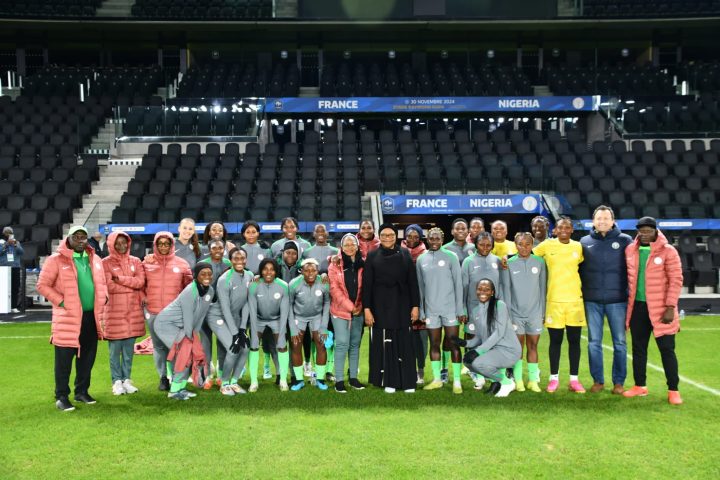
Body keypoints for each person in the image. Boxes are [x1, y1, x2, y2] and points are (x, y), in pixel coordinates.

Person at [37, 226, 108, 412]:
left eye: (83, 237)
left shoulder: (96, 259)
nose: (80, 240)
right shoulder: (56, 260)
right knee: (64, 360)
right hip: (68, 318)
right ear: (68, 239)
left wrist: (104, 297)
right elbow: (43, 285)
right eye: (76, 237)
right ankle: (61, 396)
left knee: (87, 358)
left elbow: (101, 284)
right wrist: (61, 302)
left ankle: (81, 392)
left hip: (91, 318)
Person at [623, 217, 684, 405]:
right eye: (641, 231)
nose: (644, 234)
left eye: (648, 230)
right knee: (638, 349)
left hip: (661, 309)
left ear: (656, 231)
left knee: (667, 350)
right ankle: (640, 386)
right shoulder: (630, 250)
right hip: (638, 308)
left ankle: (673, 389)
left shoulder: (668, 251)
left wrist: (670, 307)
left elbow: (676, 279)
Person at [580, 206, 633, 395]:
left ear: (613, 220)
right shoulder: (584, 242)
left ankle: (619, 382)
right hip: (592, 300)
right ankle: (598, 381)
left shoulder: (625, 241)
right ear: (593, 221)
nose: (602, 221)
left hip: (617, 300)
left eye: (606, 218)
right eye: (599, 218)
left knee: (619, 342)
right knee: (594, 342)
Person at [363, 223, 420, 393]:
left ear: (396, 236)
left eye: (391, 235)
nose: (388, 238)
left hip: (402, 304)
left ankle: (408, 381)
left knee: (404, 342)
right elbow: (367, 285)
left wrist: (415, 306)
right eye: (384, 235)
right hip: (380, 305)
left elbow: (412, 282)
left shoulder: (405, 254)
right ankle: (389, 380)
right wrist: (367, 309)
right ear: (379, 237)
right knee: (386, 343)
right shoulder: (372, 255)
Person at [533, 217, 586, 393]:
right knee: (555, 341)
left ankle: (574, 379)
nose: (563, 229)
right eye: (560, 227)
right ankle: (553, 378)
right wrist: (506, 259)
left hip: (574, 301)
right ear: (555, 230)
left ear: (572, 230)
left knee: (574, 342)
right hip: (554, 301)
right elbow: (527, 255)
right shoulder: (547, 245)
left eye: (567, 227)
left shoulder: (578, 247)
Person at [154, 263, 215, 400]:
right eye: (203, 274)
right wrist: (191, 339)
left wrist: (195, 335)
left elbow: (201, 315)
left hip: (182, 327)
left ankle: (181, 388)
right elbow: (188, 317)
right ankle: (174, 390)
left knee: (188, 354)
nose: (207, 277)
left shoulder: (210, 291)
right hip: (166, 325)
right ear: (195, 276)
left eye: (209, 274)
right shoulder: (189, 291)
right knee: (185, 354)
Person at [452, 278, 521, 398]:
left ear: (492, 292)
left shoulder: (500, 305)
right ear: (476, 291)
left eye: (487, 289)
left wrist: (478, 351)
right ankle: (499, 381)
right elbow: (479, 337)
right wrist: (464, 343)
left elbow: (499, 333)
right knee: (468, 362)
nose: (482, 291)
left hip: (508, 350)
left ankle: (507, 382)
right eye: (479, 289)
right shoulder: (476, 310)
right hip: (494, 350)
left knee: (478, 363)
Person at [141, 232, 193, 391]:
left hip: (174, 315)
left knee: (177, 346)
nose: (163, 246)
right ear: (155, 245)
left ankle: (179, 376)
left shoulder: (182, 264)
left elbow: (189, 288)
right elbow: (140, 285)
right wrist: (144, 299)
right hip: (153, 311)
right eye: (160, 244)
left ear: (172, 245)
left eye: (167, 243)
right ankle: (164, 377)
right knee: (158, 348)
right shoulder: (146, 264)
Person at [416, 228, 466, 394]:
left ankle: (457, 381)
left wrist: (461, 309)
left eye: (437, 239)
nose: (434, 242)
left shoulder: (451, 257)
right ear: (427, 239)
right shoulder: (421, 259)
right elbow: (420, 288)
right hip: (431, 311)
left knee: (453, 344)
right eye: (431, 239)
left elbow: (459, 285)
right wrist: (422, 310)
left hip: (450, 309)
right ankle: (437, 379)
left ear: (443, 238)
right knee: (434, 344)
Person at [502, 232, 546, 393]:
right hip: (515, 314)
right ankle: (519, 380)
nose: (524, 247)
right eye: (521, 244)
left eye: (528, 244)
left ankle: (533, 381)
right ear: (515, 245)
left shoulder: (540, 262)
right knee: (518, 348)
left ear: (532, 245)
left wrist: (542, 312)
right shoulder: (509, 263)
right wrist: (508, 315)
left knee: (533, 346)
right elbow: (506, 290)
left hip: (534, 314)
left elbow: (543, 289)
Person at [102, 232, 145, 396]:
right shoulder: (104, 263)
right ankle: (116, 382)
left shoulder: (136, 261)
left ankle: (127, 380)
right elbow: (108, 286)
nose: (121, 246)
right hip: (113, 312)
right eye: (117, 243)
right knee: (114, 351)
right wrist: (131, 284)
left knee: (128, 351)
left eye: (124, 243)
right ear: (111, 244)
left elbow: (140, 282)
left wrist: (119, 278)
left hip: (132, 312)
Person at [206, 247, 253, 396]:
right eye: (236, 259)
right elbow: (225, 308)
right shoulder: (224, 279)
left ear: (246, 259)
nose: (239, 261)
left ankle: (234, 381)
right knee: (234, 348)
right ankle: (224, 382)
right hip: (217, 316)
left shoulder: (250, 275)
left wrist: (241, 329)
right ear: (231, 260)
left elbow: (247, 303)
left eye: (242, 258)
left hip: (234, 317)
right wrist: (235, 334)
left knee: (245, 348)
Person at [461, 232, 503, 388]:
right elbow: (463, 287)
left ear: (492, 245)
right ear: (475, 244)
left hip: (492, 310)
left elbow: (500, 287)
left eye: (488, 245)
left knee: (492, 342)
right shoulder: (468, 262)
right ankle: (478, 375)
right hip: (473, 309)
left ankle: (492, 373)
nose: (485, 248)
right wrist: (463, 309)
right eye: (481, 244)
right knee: (474, 342)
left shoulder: (497, 261)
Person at [328, 233, 366, 393]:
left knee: (355, 345)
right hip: (340, 311)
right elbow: (335, 290)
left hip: (359, 310)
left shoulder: (364, 263)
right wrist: (351, 307)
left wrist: (360, 306)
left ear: (357, 246)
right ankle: (339, 380)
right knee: (342, 344)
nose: (350, 247)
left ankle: (353, 378)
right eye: (346, 245)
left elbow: (367, 287)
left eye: (353, 244)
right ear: (341, 248)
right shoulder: (334, 265)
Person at [247, 258, 291, 392]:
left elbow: (284, 313)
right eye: (265, 269)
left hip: (276, 320)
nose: (268, 272)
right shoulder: (254, 285)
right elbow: (252, 312)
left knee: (282, 346)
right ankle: (254, 382)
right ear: (260, 271)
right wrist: (253, 333)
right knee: (254, 346)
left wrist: (282, 334)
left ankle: (283, 380)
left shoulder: (283, 286)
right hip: (258, 319)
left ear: (276, 271)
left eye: (272, 269)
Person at [288, 258, 331, 391]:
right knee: (296, 345)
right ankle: (299, 380)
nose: (310, 273)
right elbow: (288, 305)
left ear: (318, 271)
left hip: (317, 316)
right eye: (307, 270)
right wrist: (293, 328)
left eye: (313, 270)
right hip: (298, 317)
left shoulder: (323, 282)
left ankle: (320, 379)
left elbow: (327, 303)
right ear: (301, 271)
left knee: (321, 345)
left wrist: (324, 326)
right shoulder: (294, 284)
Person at [199, 238, 232, 389]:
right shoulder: (202, 264)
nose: (217, 251)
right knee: (205, 342)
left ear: (224, 249)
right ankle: (206, 376)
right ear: (209, 248)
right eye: (214, 248)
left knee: (222, 343)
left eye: (220, 248)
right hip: (204, 309)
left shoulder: (229, 264)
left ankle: (220, 374)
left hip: (221, 309)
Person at [400, 224, 428, 385]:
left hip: (422, 302)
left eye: (416, 237)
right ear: (405, 237)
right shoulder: (399, 252)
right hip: (404, 302)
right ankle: (407, 369)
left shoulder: (425, 255)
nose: (412, 239)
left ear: (420, 238)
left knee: (422, 340)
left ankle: (421, 370)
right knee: (405, 338)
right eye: (409, 236)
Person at [0, 226, 24, 312]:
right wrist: (6, 245)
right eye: (7, 233)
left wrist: (16, 245)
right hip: (3, 267)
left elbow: (21, 252)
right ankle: (3, 305)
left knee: (15, 287)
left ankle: (13, 306)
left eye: (10, 233)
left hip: (15, 266)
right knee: (3, 287)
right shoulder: (1, 242)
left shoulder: (16, 242)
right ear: (4, 234)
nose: (8, 234)